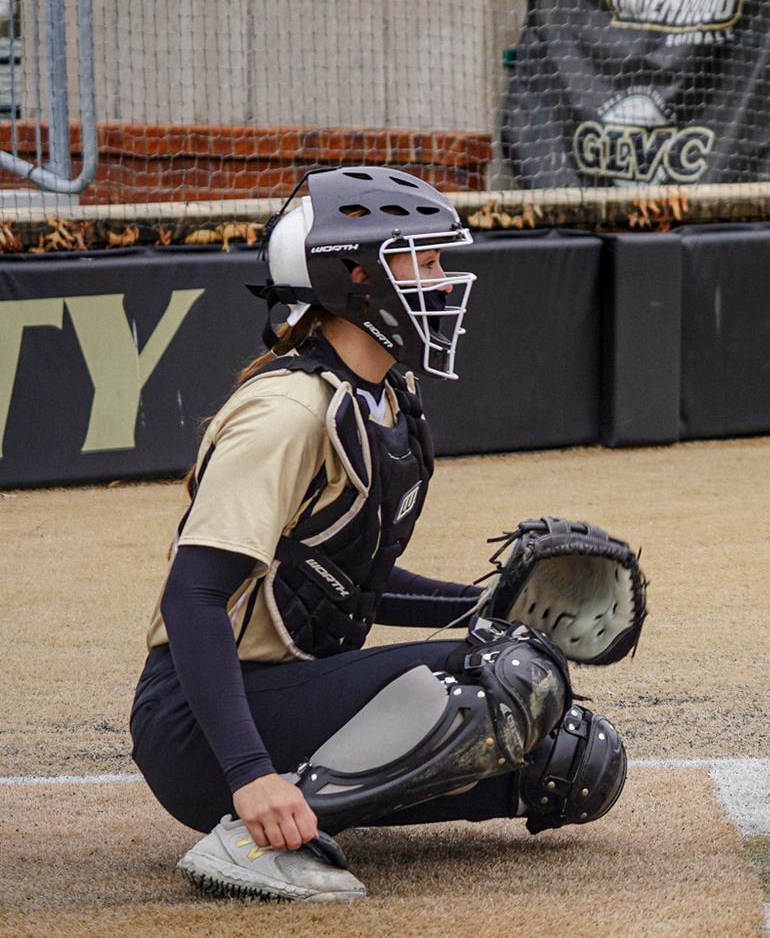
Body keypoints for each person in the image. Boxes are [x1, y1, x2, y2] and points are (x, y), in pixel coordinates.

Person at [130, 167, 626, 902]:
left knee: (574, 763)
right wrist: (250, 773)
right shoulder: (287, 412)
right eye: (423, 260)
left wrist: (487, 605)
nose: (443, 279)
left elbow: (348, 581)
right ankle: (253, 836)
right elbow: (193, 597)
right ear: (356, 276)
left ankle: (298, 807)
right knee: (506, 673)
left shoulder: (387, 396)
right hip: (200, 725)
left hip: (288, 690)